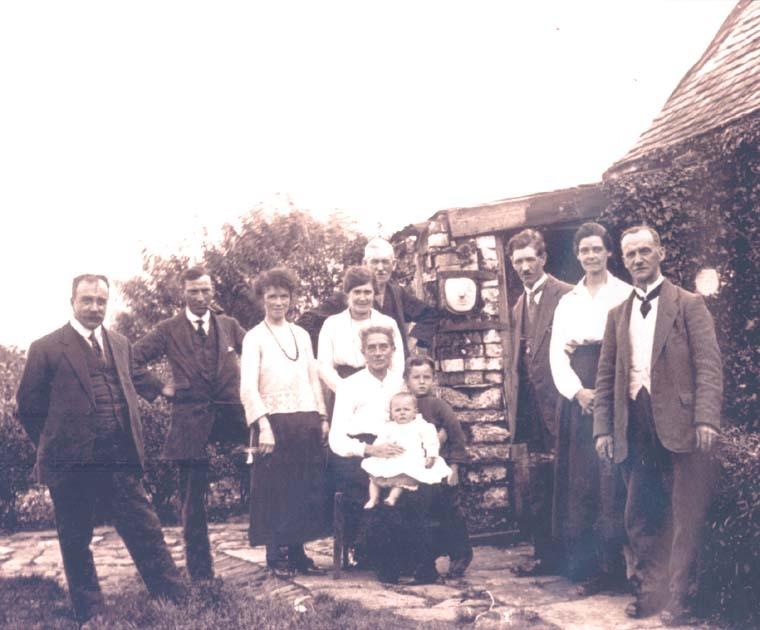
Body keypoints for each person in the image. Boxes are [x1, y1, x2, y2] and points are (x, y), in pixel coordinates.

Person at [15, 274, 186, 624]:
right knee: (77, 539)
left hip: (119, 457)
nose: (95, 308)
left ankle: (172, 596)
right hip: (72, 464)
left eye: (101, 301)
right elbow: (29, 407)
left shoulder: (120, 344)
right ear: (73, 302)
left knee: (145, 527)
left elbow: (128, 385)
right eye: (87, 300)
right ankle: (90, 610)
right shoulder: (46, 348)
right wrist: (55, 445)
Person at [593, 225, 722, 625]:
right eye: (630, 254)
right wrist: (602, 428)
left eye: (645, 251)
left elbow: (709, 365)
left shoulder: (689, 305)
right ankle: (649, 593)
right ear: (624, 260)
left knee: (685, 512)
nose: (638, 260)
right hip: (634, 420)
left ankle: (680, 599)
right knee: (640, 511)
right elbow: (605, 375)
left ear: (661, 253)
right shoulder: (618, 314)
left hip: (682, 422)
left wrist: (705, 418)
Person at [133, 266, 247, 582]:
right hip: (189, 420)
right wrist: (160, 387)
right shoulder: (168, 329)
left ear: (213, 293)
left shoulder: (229, 325)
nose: (200, 297)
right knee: (192, 500)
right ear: (182, 293)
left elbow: (257, 356)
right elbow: (130, 359)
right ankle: (201, 574)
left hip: (232, 419)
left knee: (263, 476)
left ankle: (279, 552)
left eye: (205, 291)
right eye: (193, 291)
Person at [549, 222, 632, 594]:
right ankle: (585, 565)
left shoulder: (626, 293)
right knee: (581, 479)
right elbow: (556, 354)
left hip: (616, 386)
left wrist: (614, 395)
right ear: (577, 255)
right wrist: (576, 392)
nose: (591, 256)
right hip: (580, 390)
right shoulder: (568, 300)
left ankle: (617, 567)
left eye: (597, 249)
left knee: (614, 477)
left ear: (609, 252)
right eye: (584, 250)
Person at [330, 326, 437, 583]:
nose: (378, 353)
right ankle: (387, 563)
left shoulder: (400, 383)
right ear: (363, 352)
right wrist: (370, 450)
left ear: (392, 350)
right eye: (372, 348)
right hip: (359, 453)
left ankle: (420, 563)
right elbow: (336, 438)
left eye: (383, 347)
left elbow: (418, 419)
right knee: (381, 494)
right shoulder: (349, 385)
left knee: (420, 487)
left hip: (400, 449)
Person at [240, 268, 328, 576]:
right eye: (272, 296)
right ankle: (275, 555)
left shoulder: (301, 335)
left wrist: (322, 416)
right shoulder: (254, 337)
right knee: (274, 488)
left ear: (291, 298)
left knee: (303, 486)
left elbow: (312, 377)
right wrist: (263, 425)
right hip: (273, 422)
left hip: (304, 418)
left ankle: (298, 552)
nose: (278, 302)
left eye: (283, 296)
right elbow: (248, 387)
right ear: (262, 299)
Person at [507, 228, 573, 575]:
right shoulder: (519, 303)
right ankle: (544, 556)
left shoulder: (566, 295)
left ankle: (572, 559)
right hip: (532, 407)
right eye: (518, 261)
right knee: (538, 481)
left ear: (543, 259)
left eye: (530, 259)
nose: (524, 267)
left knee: (567, 478)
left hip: (560, 402)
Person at [405, 355, 473, 578]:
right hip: (418, 472)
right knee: (426, 516)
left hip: (442, 471)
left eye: (427, 377)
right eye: (416, 378)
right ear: (407, 380)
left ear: (434, 379)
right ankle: (427, 560)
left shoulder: (438, 405)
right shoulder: (404, 406)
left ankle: (461, 554)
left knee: (450, 513)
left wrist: (454, 469)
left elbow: (455, 435)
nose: (421, 382)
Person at [317, 265, 404, 395]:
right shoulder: (332, 324)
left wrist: (386, 389)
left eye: (367, 292)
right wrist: (344, 389)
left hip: (380, 389)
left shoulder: (387, 323)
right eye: (357, 292)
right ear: (347, 294)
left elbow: (397, 364)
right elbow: (324, 366)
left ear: (374, 294)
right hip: (342, 388)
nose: (362, 298)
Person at [362, 392, 451, 508]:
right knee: (373, 476)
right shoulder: (389, 427)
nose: (402, 413)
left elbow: (431, 441)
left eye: (406, 409)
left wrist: (431, 455)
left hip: (409, 459)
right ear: (392, 413)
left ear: (415, 411)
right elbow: (380, 442)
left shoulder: (421, 426)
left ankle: (392, 497)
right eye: (397, 410)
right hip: (390, 458)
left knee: (403, 479)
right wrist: (379, 450)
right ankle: (373, 498)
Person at [363, 237, 440, 357]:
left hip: (395, 364)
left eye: (385, 262)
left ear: (393, 264)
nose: (380, 268)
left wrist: (410, 342)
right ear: (365, 264)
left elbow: (430, 314)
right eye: (374, 262)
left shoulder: (397, 293)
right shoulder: (351, 296)